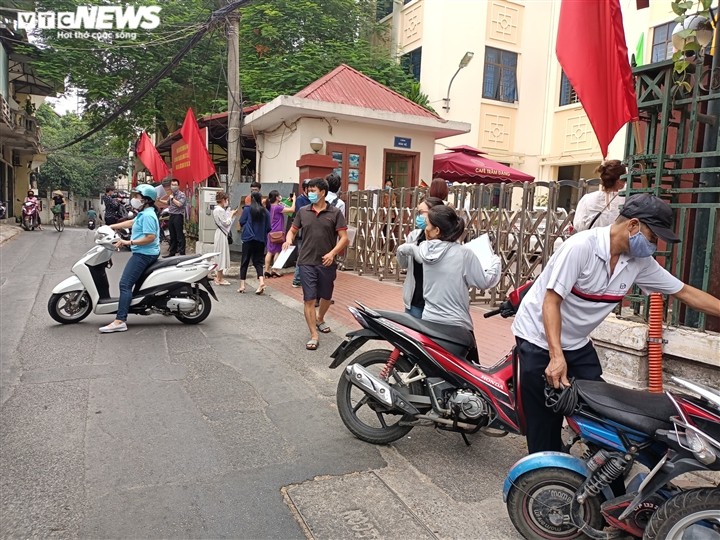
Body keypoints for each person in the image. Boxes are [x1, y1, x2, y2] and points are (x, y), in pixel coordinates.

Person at [512, 193, 720, 454]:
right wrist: (556, 356)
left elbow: (685, 292)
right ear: (633, 225)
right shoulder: (581, 247)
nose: (654, 245)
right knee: (545, 417)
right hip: (539, 338)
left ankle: (602, 470)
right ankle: (543, 478)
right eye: (653, 237)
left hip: (576, 342)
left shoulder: (639, 263)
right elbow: (550, 302)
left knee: (603, 407)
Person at [396, 205, 501, 359]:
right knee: (468, 375)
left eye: (428, 224)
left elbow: (408, 250)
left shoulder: (424, 249)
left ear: (437, 231)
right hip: (456, 325)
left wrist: (402, 249)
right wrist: (495, 262)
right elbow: (485, 282)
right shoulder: (464, 254)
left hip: (429, 320)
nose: (425, 227)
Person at [282, 177, 349, 351]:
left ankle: (320, 318)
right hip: (306, 262)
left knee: (326, 297)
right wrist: (288, 239)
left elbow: (344, 238)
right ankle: (313, 334)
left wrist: (332, 253)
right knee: (309, 299)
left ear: (323, 192)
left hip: (327, 262)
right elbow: (292, 230)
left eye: (313, 191)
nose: (309, 193)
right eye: (308, 190)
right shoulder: (303, 211)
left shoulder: (335, 213)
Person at [100, 184, 161, 333]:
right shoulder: (144, 212)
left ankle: (120, 320)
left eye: (137, 196)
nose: (134, 199)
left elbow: (150, 237)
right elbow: (131, 223)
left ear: (146, 199)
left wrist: (129, 242)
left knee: (125, 284)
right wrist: (111, 227)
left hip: (144, 254)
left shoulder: (148, 215)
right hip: (144, 252)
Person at [395, 196, 445, 318]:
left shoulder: (446, 241)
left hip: (436, 304)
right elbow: (405, 265)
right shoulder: (414, 236)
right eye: (417, 213)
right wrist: (400, 253)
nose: (418, 217)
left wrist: (415, 251)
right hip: (415, 300)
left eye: (421, 212)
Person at [574, 160, 626, 232]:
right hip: (615, 242)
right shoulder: (626, 200)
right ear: (620, 180)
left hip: (591, 241)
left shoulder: (587, 199)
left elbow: (578, 226)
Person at [238, 191, 271, 294]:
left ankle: (242, 285)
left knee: (245, 261)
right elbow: (269, 227)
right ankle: (261, 281)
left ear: (251, 199)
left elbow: (242, 221)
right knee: (258, 262)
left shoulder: (247, 209)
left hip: (248, 239)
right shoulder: (265, 212)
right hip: (260, 239)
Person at [264, 190, 295, 277]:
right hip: (278, 232)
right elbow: (292, 210)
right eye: (279, 196)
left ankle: (266, 270)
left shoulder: (269, 206)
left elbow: (281, 203)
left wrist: (287, 200)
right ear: (277, 197)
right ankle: (275, 270)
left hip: (270, 232)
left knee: (269, 252)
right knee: (278, 251)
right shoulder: (278, 208)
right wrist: (294, 199)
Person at [212, 191, 239, 286]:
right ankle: (219, 278)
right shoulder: (219, 210)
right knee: (221, 255)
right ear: (223, 200)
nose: (227, 202)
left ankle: (219, 277)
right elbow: (226, 223)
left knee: (220, 255)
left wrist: (231, 214)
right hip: (221, 235)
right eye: (226, 200)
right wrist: (231, 215)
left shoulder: (218, 210)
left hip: (220, 233)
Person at [291, 179, 313, 288]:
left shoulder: (313, 199)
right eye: (309, 189)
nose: (311, 192)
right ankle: (297, 279)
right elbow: (301, 215)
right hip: (303, 232)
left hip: (312, 231)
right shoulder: (300, 200)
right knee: (303, 255)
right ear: (304, 189)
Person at [165, 179, 187, 257]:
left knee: (179, 234)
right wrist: (159, 200)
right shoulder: (172, 195)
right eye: (172, 185)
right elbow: (167, 203)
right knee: (172, 234)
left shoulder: (181, 195)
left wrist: (172, 199)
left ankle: (182, 252)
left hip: (178, 215)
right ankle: (172, 252)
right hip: (171, 215)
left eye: (175, 185)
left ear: (178, 186)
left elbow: (180, 204)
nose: (173, 186)